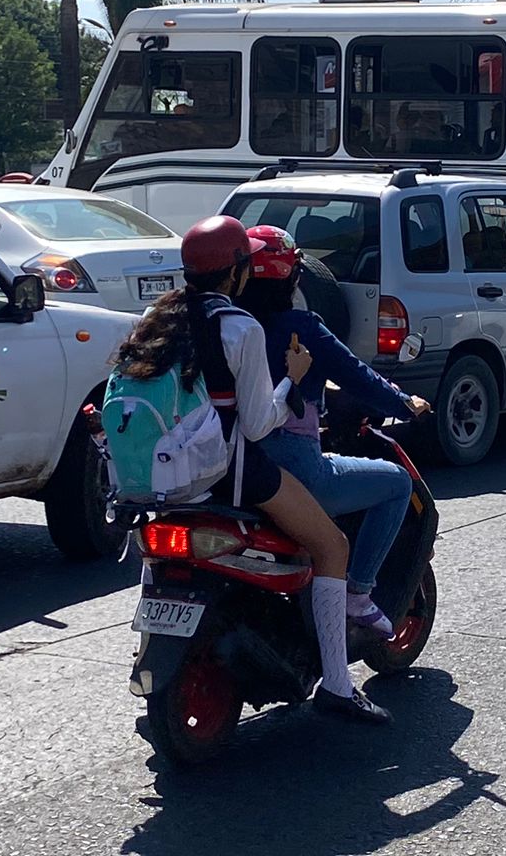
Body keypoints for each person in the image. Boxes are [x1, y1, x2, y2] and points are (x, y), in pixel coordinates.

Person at [116, 215, 391, 724]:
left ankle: (148, 650)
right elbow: (261, 424)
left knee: (158, 555)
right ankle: (338, 684)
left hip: (158, 476)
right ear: (239, 270)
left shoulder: (155, 317)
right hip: (228, 470)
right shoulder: (238, 326)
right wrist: (294, 379)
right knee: (332, 546)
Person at [235, 225, 429, 639]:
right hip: (295, 468)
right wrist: (403, 403)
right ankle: (358, 595)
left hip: (229, 466)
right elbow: (356, 375)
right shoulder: (301, 328)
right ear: (293, 278)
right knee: (396, 484)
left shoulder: (226, 325)